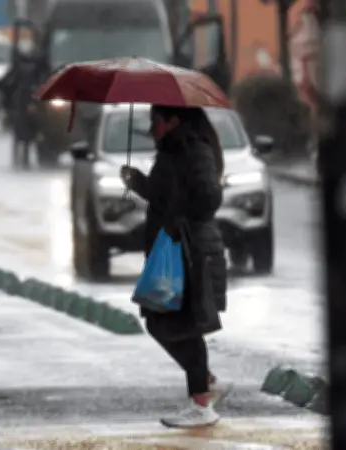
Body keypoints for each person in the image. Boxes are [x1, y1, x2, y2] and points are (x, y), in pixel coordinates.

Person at [120, 105, 230, 429]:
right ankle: (205, 384)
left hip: (190, 250)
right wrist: (138, 183)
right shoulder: (172, 151)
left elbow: (209, 196)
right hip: (172, 248)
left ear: (173, 121)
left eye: (155, 121)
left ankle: (201, 402)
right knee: (160, 321)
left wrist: (179, 213)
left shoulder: (194, 149)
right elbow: (163, 195)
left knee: (182, 325)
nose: (151, 128)